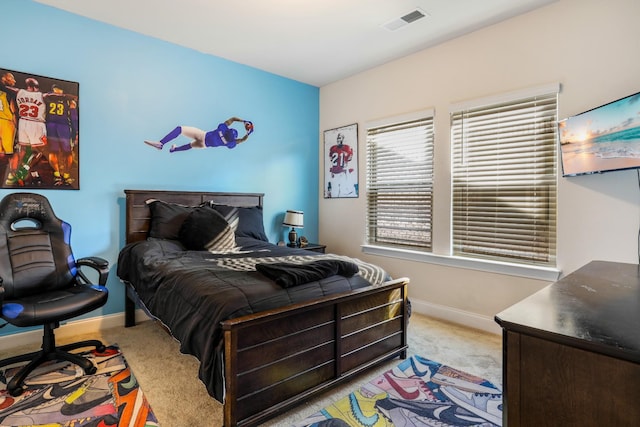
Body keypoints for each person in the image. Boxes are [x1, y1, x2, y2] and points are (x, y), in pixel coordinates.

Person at [144, 117, 253, 153]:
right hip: (203, 145)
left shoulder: (222, 129)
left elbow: (232, 119)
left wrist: (243, 121)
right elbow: (242, 140)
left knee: (180, 129)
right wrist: (248, 133)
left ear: (228, 131)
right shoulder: (230, 143)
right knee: (189, 146)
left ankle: (161, 143)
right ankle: (174, 150)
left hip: (202, 136)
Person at [45, 84, 77, 185]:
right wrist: (76, 131)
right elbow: (74, 117)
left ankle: (62, 175)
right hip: (62, 127)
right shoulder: (68, 99)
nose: (57, 91)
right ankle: (60, 175)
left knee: (63, 152)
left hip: (54, 126)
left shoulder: (47, 97)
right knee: (57, 151)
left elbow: (73, 115)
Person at [0, 72, 17, 157]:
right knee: (8, 151)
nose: (14, 81)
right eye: (11, 78)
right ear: (4, 79)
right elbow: (12, 108)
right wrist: (15, 124)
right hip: (7, 122)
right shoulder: (10, 91)